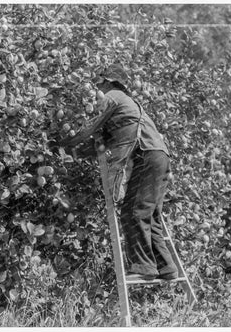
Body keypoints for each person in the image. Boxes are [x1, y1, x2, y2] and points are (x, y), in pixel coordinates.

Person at [57, 64, 178, 280]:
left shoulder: (111, 97)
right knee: (150, 214)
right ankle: (166, 266)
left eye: (97, 83)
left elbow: (87, 127)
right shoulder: (125, 105)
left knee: (134, 212)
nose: (95, 89)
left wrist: (60, 144)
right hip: (159, 157)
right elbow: (100, 144)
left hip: (146, 155)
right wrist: (75, 152)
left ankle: (144, 267)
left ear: (106, 81)